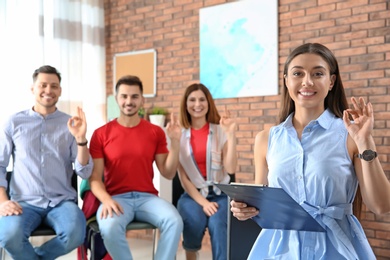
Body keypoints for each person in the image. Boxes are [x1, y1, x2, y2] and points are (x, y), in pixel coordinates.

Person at [230, 43, 390, 259]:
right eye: (298, 73)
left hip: (335, 247)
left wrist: (365, 143)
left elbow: (381, 206)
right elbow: (264, 203)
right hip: (279, 249)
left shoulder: (351, 135)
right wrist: (244, 209)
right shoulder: (266, 139)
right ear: (286, 79)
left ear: (331, 81)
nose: (307, 81)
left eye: (318, 73)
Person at [0, 65, 93, 260]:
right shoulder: (14, 122)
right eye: (43, 85)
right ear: (33, 89)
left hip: (61, 201)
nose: (48, 90)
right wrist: (3, 202)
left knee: (76, 234)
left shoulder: (71, 124)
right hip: (23, 202)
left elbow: (84, 172)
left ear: (60, 91)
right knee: (8, 237)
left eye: (54, 86)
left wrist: (81, 139)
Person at [88, 75, 183, 260]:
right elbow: (95, 178)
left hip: (147, 198)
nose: (129, 101)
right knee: (109, 226)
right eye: (124, 96)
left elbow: (168, 172)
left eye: (134, 96)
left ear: (142, 100)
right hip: (115, 199)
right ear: (116, 99)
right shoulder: (101, 134)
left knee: (174, 220)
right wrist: (106, 199)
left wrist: (176, 142)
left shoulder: (154, 132)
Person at [177, 83, 237, 260]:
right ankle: (190, 255)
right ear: (186, 104)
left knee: (218, 223)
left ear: (209, 103)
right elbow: (184, 179)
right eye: (192, 100)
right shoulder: (179, 136)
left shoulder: (220, 130)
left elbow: (231, 168)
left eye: (202, 99)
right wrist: (203, 203)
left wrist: (231, 135)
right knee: (193, 221)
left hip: (222, 194)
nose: (198, 104)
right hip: (193, 194)